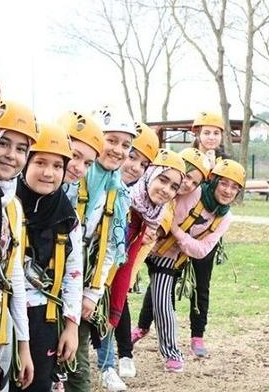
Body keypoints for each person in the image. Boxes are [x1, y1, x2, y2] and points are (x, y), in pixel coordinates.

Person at [141, 159, 244, 372]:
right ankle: (122, 343)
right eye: (224, 183)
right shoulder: (193, 192)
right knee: (116, 288)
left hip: (169, 254)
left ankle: (172, 352)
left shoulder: (225, 218)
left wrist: (177, 232)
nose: (228, 190)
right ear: (213, 181)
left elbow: (202, 250)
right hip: (146, 238)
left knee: (163, 300)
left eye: (235, 187)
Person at [64, 106, 136, 392]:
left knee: (78, 367)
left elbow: (109, 247)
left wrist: (92, 294)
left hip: (80, 285)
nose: (118, 150)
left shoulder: (118, 193)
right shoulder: (70, 175)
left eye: (125, 145)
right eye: (112, 140)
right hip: (45, 281)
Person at [14, 123, 83, 392]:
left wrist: (72, 326)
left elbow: (74, 273)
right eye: (40, 162)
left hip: (46, 318)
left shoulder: (67, 217)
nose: (48, 172)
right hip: (6, 315)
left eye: (57, 166)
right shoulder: (8, 205)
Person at [95, 122, 160, 392]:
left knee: (112, 306)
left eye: (143, 164)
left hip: (113, 265)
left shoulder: (144, 208)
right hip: (87, 260)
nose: (134, 166)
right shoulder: (99, 181)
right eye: (132, 156)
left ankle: (108, 365)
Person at [132, 147, 210, 343]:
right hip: (141, 245)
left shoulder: (180, 199)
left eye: (194, 182)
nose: (188, 184)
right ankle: (141, 328)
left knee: (161, 292)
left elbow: (167, 218)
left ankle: (155, 337)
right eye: (187, 177)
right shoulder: (152, 189)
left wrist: (158, 231)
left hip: (165, 251)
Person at [0, 100, 37, 389]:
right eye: (3, 143)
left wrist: (24, 344)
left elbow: (14, 274)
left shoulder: (13, 207)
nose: (11, 155)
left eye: (21, 149)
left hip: (2, 332)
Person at [186, 110, 229, 357]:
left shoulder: (226, 163)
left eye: (215, 133)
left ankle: (197, 335)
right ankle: (144, 325)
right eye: (207, 133)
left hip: (207, 230)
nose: (211, 137)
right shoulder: (188, 158)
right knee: (164, 279)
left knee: (202, 285)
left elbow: (227, 194)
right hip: (182, 226)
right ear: (198, 134)